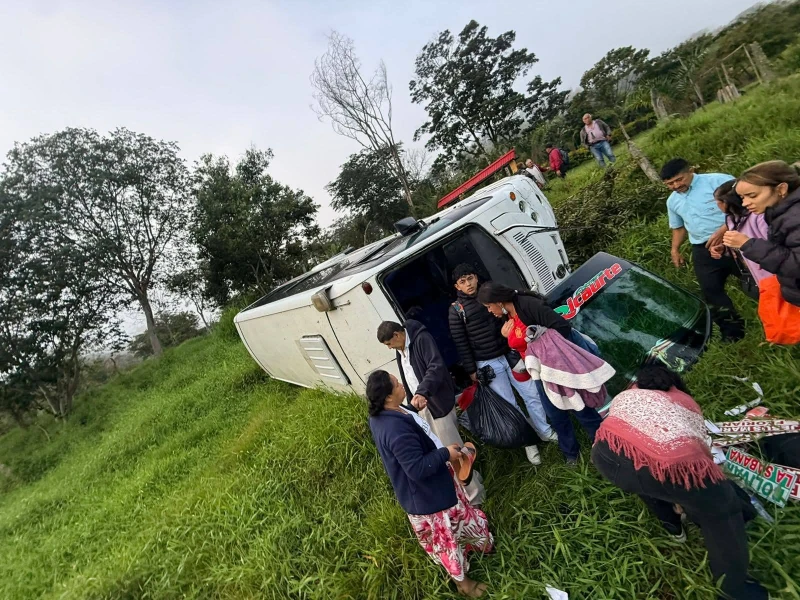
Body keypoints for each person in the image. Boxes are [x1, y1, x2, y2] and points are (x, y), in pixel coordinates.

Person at [592, 366, 767, 600]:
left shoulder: (628, 394)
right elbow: (699, 459)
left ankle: (674, 526)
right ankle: (734, 590)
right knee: (720, 511)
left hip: (605, 457)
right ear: (674, 384)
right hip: (658, 465)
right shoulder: (684, 403)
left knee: (647, 480)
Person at [367, 370, 493, 598]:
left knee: (459, 521)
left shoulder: (387, 413)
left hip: (437, 484)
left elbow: (409, 432)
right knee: (447, 543)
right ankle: (464, 585)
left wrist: (413, 408)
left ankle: (474, 545)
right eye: (396, 384)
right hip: (429, 497)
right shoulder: (395, 431)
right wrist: (446, 453)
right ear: (387, 396)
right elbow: (417, 468)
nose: (401, 384)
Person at [477, 281, 604, 466]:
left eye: (489, 307)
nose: (489, 311)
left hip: (558, 366)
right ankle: (571, 455)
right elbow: (522, 341)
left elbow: (562, 327)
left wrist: (550, 354)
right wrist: (508, 338)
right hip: (540, 372)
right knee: (555, 413)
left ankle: (603, 446)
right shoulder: (508, 316)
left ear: (499, 301)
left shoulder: (528, 305)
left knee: (580, 406)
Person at [448, 265, 556, 467]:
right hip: (487, 363)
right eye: (462, 281)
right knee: (510, 404)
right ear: (457, 286)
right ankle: (528, 443)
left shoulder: (491, 294)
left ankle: (545, 431)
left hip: (511, 354)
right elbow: (461, 343)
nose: (468, 284)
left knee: (531, 393)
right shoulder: (456, 311)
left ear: (476, 277)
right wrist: (472, 371)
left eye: (470, 278)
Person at [377, 320, 485, 505]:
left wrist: (422, 392)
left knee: (454, 451)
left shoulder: (421, 339)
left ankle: (476, 497)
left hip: (437, 404)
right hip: (422, 406)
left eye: (389, 344)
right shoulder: (400, 348)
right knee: (443, 448)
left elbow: (436, 367)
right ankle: (474, 480)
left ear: (397, 335)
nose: (389, 348)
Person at [662, 158, 745, 342]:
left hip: (734, 237)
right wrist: (675, 249)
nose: (675, 186)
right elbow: (679, 227)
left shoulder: (717, 181)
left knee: (754, 279)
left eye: (679, 180)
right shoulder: (672, 201)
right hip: (702, 248)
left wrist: (724, 229)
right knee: (711, 290)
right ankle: (733, 333)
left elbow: (744, 206)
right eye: (669, 184)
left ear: (691, 171)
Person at [723, 160, 800, 307]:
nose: (745, 203)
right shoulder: (781, 213)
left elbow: (796, 265)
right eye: (742, 198)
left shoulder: (795, 217)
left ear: (781, 189)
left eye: (752, 195)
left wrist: (748, 244)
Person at [708, 180, 771, 291]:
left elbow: (772, 245)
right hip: (760, 276)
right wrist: (726, 248)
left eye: (717, 202)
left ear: (726, 202)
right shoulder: (732, 219)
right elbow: (741, 243)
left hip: (774, 274)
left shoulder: (759, 216)